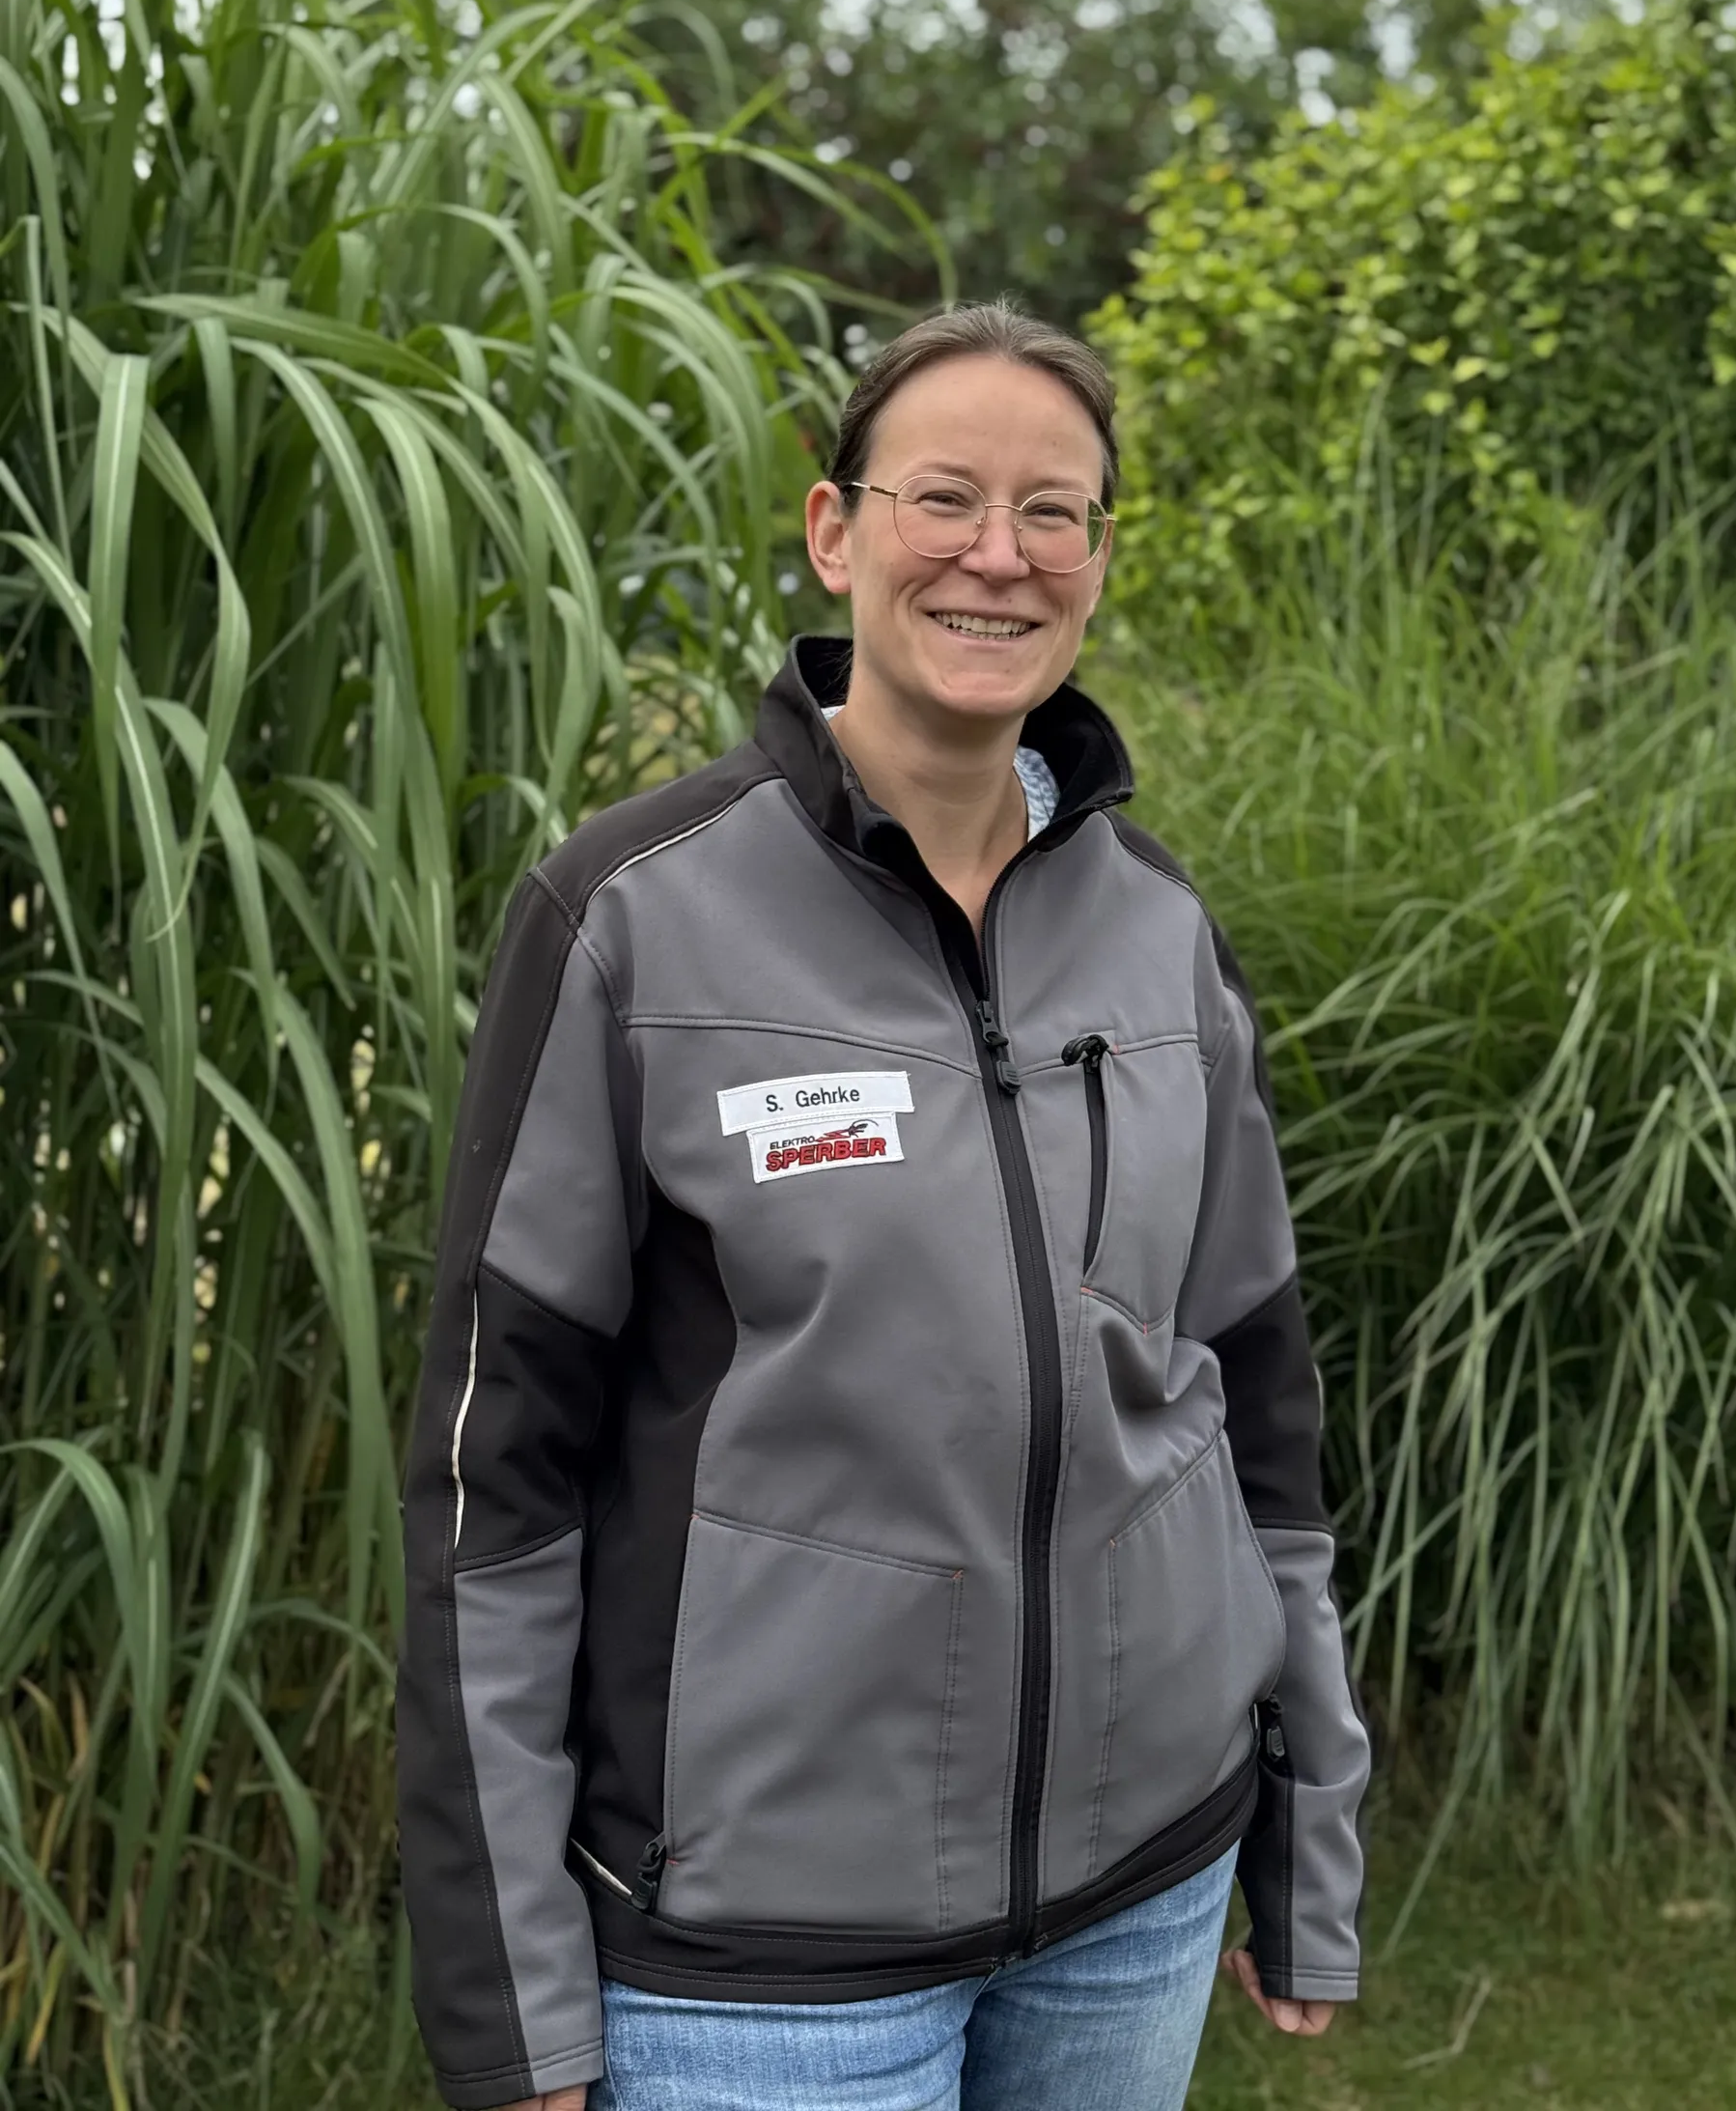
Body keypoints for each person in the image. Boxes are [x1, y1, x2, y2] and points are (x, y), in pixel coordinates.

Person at [397, 303, 1370, 2111]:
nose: (999, 554)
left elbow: (1257, 1409)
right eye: (945, 497)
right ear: (837, 532)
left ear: (1096, 560)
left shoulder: (1158, 930)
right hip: (763, 1965)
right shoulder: (633, 919)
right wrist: (513, 1989)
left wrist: (1310, 1819)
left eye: (1053, 512)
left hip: (1138, 1898)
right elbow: (492, 1488)